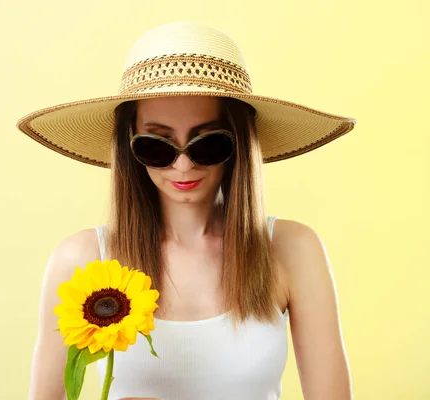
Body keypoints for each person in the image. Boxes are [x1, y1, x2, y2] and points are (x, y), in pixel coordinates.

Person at [18, 21, 354, 400]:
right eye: (157, 146)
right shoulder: (82, 259)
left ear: (239, 143)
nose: (182, 165)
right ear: (130, 148)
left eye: (207, 144)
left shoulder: (293, 249)